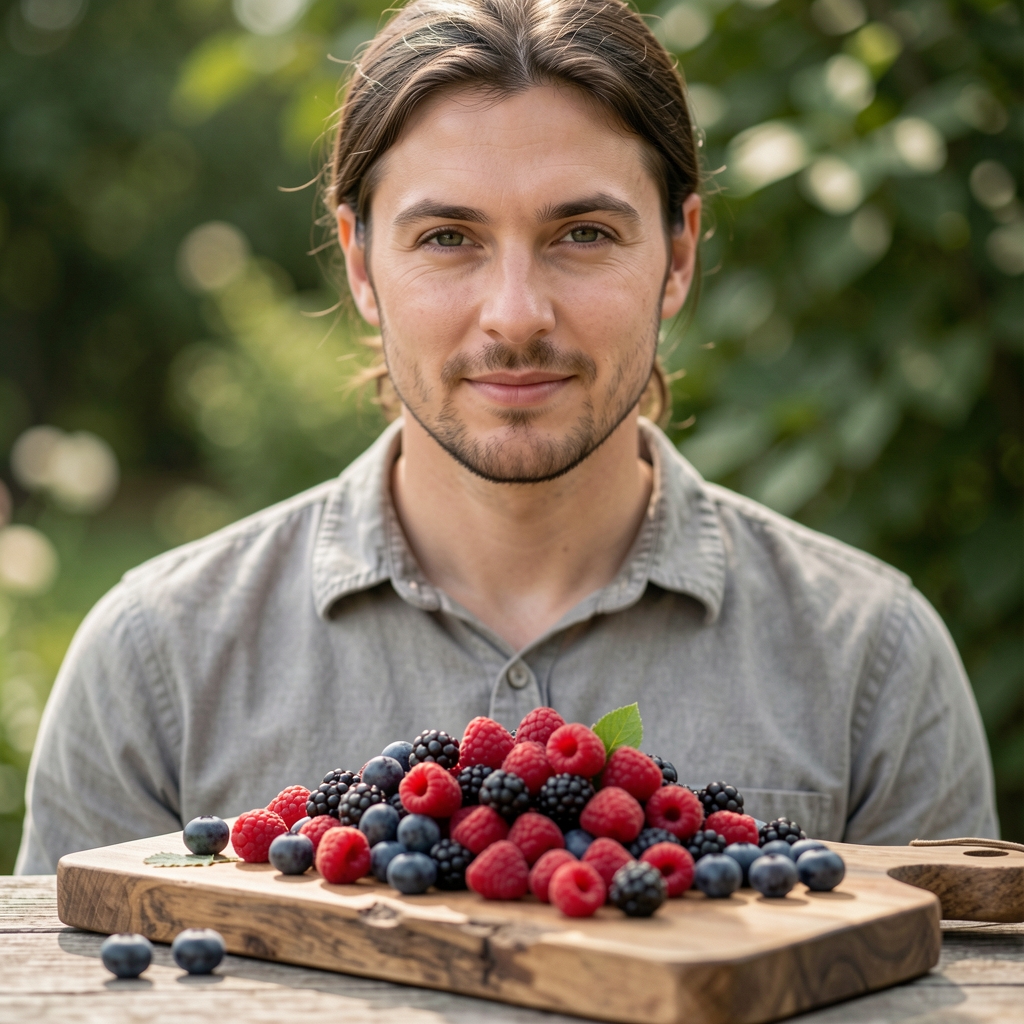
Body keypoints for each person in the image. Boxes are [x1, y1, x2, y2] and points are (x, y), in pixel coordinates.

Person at [16, 0, 996, 873]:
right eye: (448, 238)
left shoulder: (872, 662)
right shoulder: (155, 662)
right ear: (359, 263)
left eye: (583, 234)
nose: (516, 314)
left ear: (678, 254)